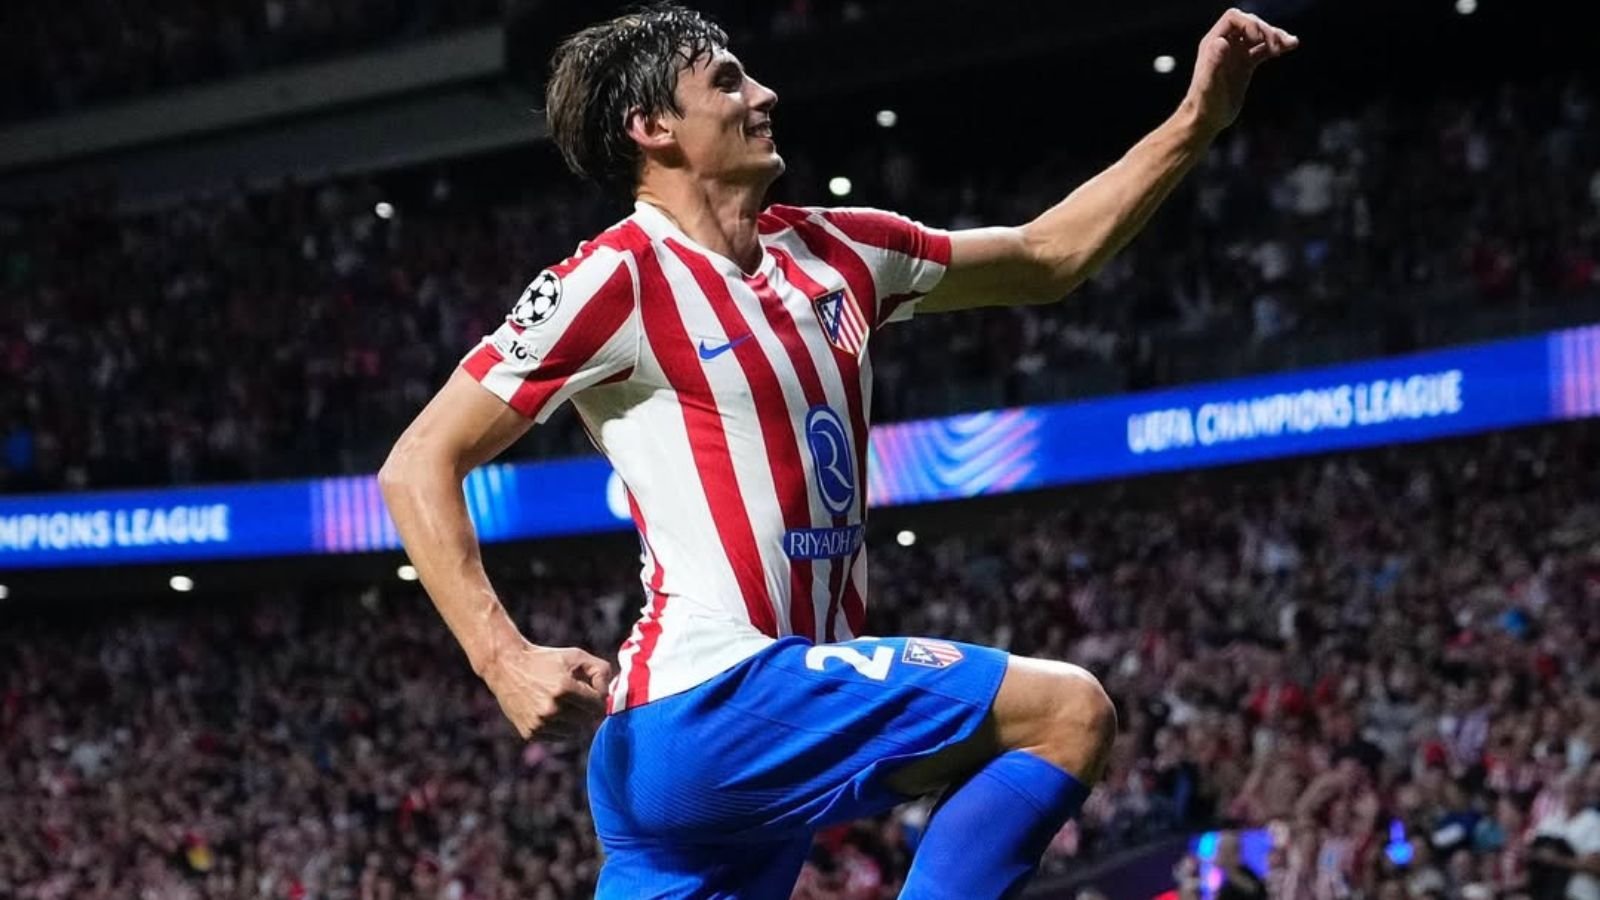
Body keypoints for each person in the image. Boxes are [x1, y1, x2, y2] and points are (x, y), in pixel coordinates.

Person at [378, 3, 1297, 896]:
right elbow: (418, 461)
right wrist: (502, 657)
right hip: (710, 701)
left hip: (734, 753)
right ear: (653, 127)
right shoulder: (614, 279)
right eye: (728, 82)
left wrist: (1197, 120)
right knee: (1066, 713)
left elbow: (1048, 255)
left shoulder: (842, 252)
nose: (764, 94)